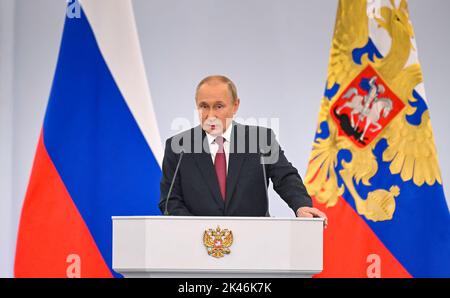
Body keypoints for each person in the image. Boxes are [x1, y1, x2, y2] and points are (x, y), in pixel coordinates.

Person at [159, 75, 327, 227]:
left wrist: (301, 206)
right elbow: (170, 201)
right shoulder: (178, 147)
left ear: (235, 105)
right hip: (197, 246)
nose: (211, 115)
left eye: (218, 106)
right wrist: (199, 230)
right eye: (204, 106)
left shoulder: (261, 140)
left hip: (254, 244)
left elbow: (285, 178)